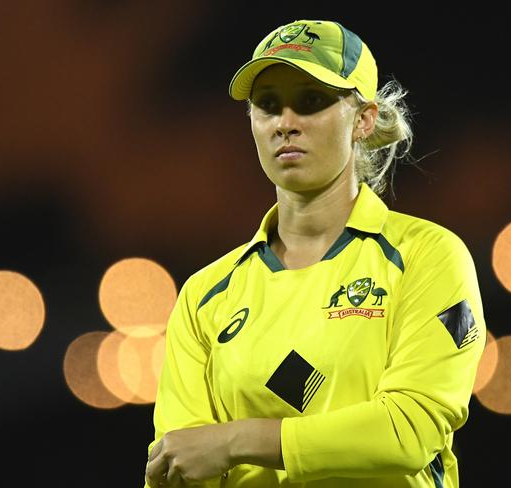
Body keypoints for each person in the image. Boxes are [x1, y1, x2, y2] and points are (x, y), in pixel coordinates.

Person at [144, 19, 485, 488]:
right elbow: (180, 466)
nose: (286, 123)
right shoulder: (205, 296)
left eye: (311, 102)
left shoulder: (428, 257)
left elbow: (408, 430)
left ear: (363, 119)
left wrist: (233, 441)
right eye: (267, 106)